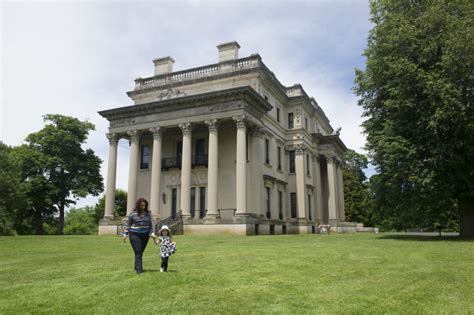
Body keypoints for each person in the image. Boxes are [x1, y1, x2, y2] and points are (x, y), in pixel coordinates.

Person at [122, 197, 153, 274]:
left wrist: (152, 233)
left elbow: (151, 226)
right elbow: (128, 224)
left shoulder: (148, 214)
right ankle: (139, 270)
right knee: (138, 251)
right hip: (134, 235)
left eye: (144, 205)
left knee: (140, 252)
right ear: (138, 205)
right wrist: (125, 234)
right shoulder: (133, 214)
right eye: (141, 205)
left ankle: (137, 267)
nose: (143, 207)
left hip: (145, 235)